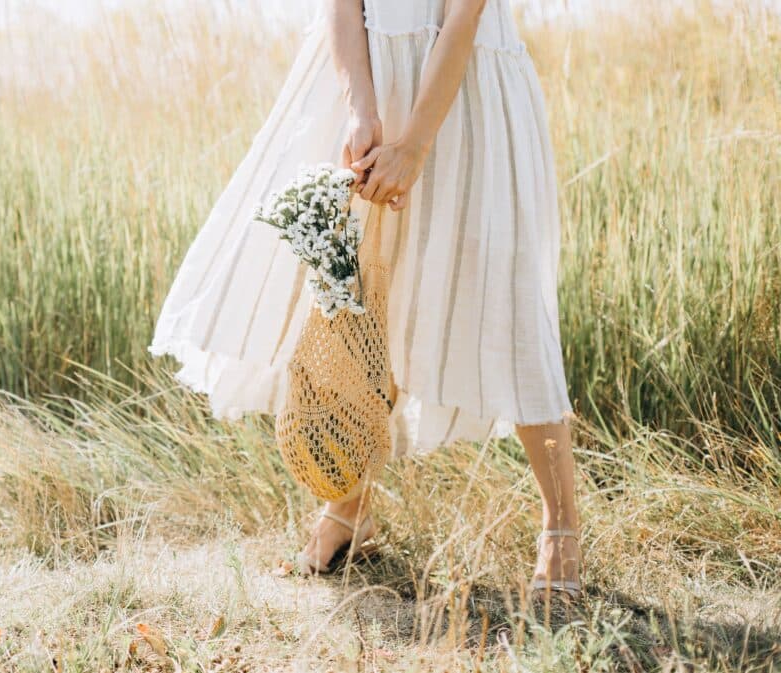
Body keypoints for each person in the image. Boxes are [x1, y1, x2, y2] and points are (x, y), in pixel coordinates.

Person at [149, 0, 583, 601]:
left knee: (507, 304)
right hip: (363, 83)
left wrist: (414, 146)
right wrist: (361, 109)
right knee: (351, 295)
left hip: (466, 89)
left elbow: (463, 18)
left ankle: (561, 526)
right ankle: (349, 510)